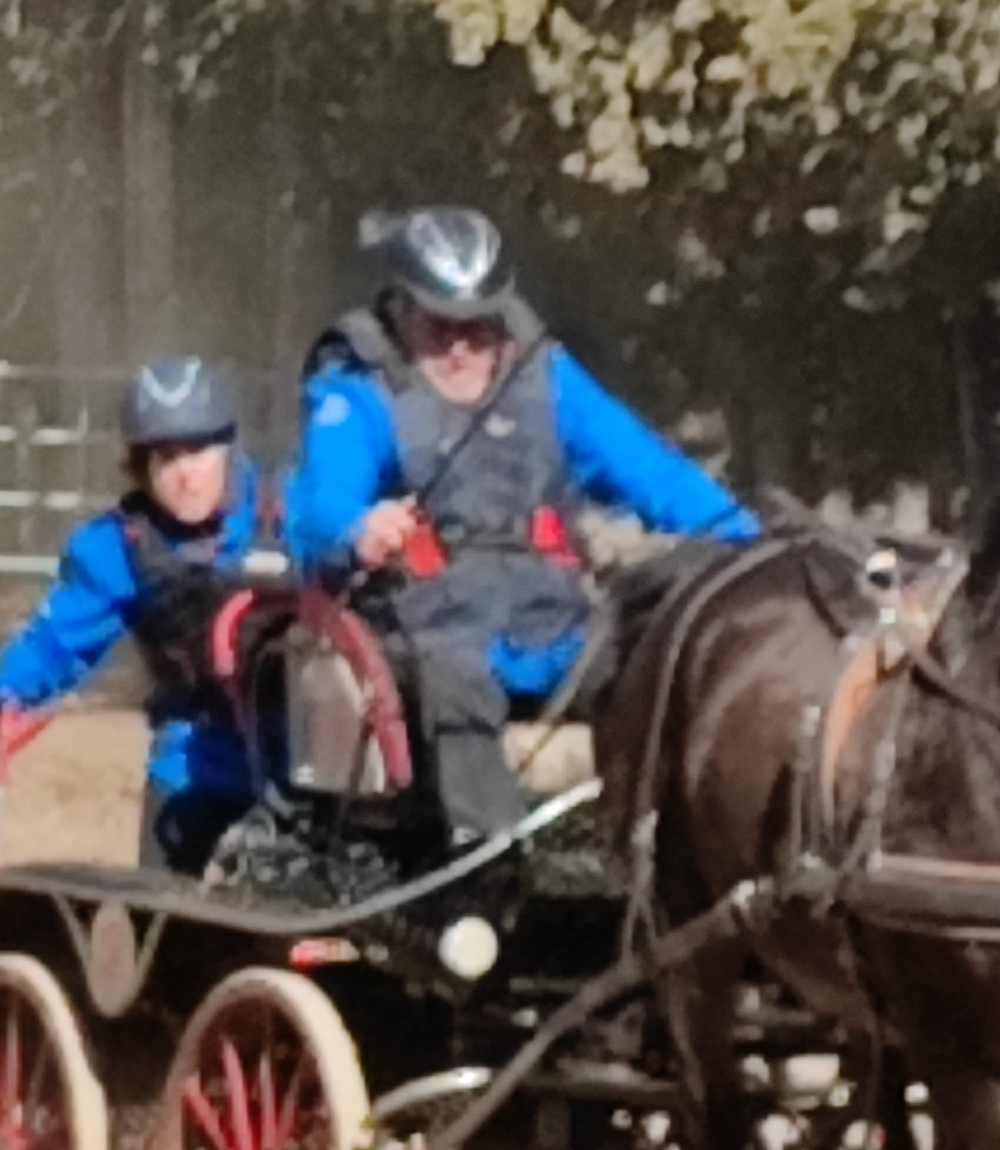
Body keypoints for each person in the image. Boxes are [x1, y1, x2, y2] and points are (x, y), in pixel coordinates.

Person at [285, 205, 763, 844]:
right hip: (424, 628)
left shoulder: (550, 377)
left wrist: (748, 541)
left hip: (553, 625)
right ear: (400, 311)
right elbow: (318, 505)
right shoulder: (356, 391)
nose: (460, 348)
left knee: (662, 657)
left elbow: (652, 472)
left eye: (477, 329)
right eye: (438, 326)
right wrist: (357, 528)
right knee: (454, 682)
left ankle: (655, 850)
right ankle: (491, 859)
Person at [0, 357, 271, 875]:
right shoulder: (118, 550)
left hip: (304, 784)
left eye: (198, 451)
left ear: (228, 449)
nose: (186, 475)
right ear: (141, 467)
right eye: (166, 458)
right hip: (193, 776)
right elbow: (55, 643)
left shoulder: (289, 513)